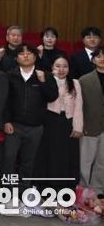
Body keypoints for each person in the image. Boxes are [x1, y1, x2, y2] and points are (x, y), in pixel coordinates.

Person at [1, 43, 58, 189]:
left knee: (28, 161)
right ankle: (6, 191)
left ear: (35, 56)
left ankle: (23, 190)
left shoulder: (45, 75)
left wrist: (43, 82)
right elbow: (4, 101)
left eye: (29, 53)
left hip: (35, 127)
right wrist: (6, 121)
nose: (25, 56)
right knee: (9, 159)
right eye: (22, 53)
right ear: (16, 58)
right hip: (14, 125)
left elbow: (52, 96)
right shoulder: (9, 75)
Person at [34, 56, 83, 191]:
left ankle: (66, 188)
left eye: (65, 66)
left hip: (68, 122)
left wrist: (78, 126)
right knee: (50, 155)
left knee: (68, 156)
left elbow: (79, 106)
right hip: (50, 121)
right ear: (52, 67)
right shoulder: (46, 80)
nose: (61, 69)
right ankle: (47, 188)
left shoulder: (75, 83)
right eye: (58, 66)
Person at [79, 47, 104, 192]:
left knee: (102, 161)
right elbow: (79, 106)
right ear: (93, 60)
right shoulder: (84, 80)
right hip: (89, 125)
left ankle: (98, 191)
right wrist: (81, 125)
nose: (102, 59)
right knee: (85, 160)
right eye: (98, 56)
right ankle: (83, 190)